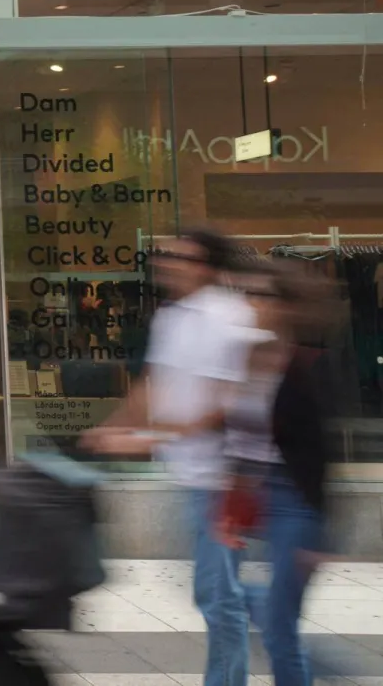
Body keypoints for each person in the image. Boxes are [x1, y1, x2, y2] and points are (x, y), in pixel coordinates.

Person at [84, 230, 258, 686]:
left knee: (217, 595)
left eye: (181, 258)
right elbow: (152, 384)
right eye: (165, 256)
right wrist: (113, 427)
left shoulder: (230, 316)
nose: (167, 264)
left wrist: (147, 439)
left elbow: (227, 405)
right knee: (218, 590)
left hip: (226, 477)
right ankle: (274, 614)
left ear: (206, 266)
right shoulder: (172, 317)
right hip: (192, 475)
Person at [213, 262, 337, 686]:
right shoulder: (248, 358)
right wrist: (232, 503)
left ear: (285, 305)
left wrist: (319, 533)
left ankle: (314, 666)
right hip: (258, 495)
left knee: (280, 626)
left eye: (261, 296)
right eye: (246, 294)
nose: (251, 304)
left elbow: (321, 453)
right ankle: (322, 661)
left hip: (296, 505)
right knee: (221, 593)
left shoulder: (308, 365)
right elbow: (243, 441)